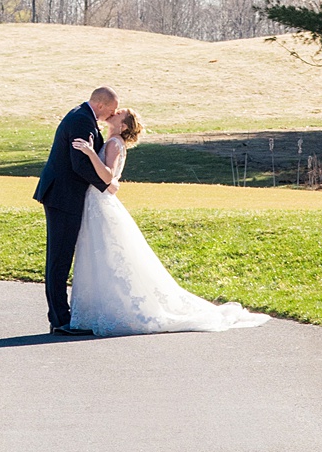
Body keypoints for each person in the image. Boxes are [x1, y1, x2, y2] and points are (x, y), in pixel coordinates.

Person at [68, 107, 264, 336]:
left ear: (123, 126)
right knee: (102, 254)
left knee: (106, 253)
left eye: (120, 113)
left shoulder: (113, 143)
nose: (115, 112)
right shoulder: (111, 140)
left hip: (100, 203)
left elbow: (108, 176)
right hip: (98, 201)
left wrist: (91, 153)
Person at [33, 85, 118, 334]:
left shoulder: (81, 115)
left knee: (60, 257)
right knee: (59, 258)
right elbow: (79, 164)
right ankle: (60, 319)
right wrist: (106, 184)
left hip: (64, 195)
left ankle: (59, 316)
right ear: (100, 105)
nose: (111, 115)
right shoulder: (81, 120)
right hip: (63, 196)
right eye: (110, 110)